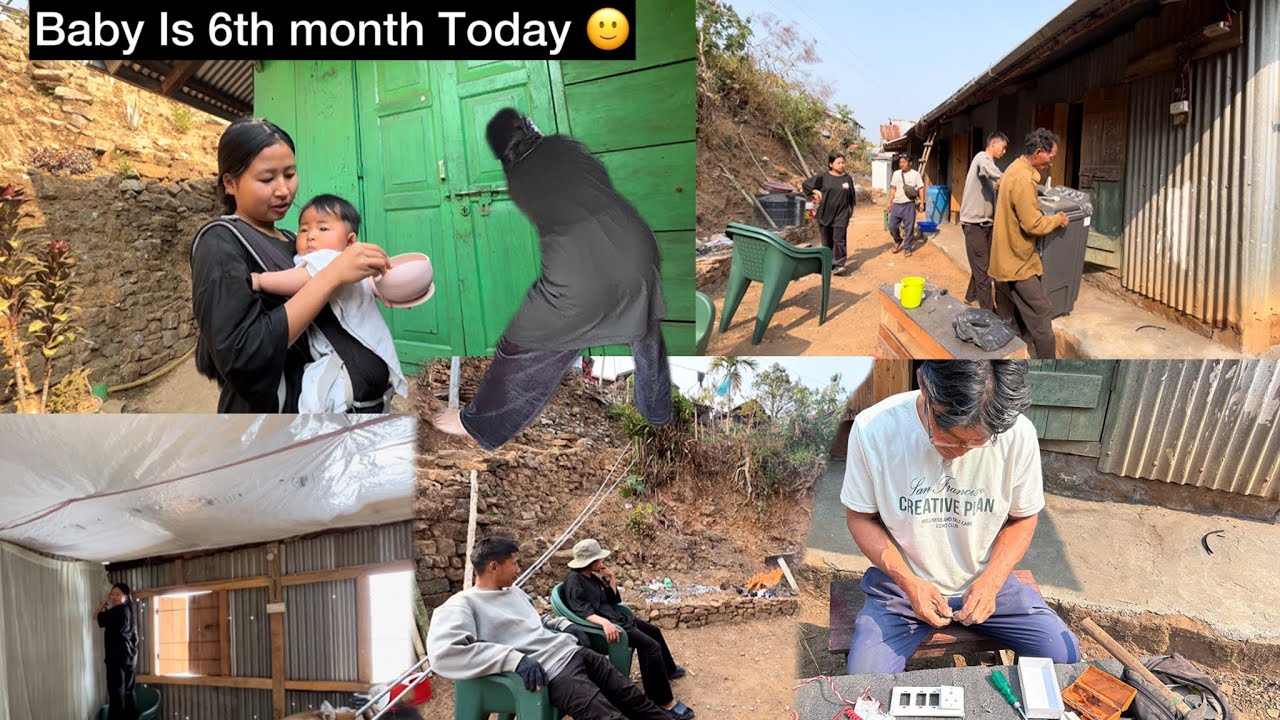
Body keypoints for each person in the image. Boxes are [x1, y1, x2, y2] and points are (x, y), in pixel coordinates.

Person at [431, 108, 671, 450]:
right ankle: (658, 413)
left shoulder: (520, 180)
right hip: (636, 245)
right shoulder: (568, 148)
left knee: (518, 346)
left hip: (584, 273)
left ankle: (477, 422)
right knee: (644, 331)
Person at [840, 360, 1080, 674]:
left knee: (1063, 654)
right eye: (950, 438)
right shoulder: (874, 428)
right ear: (924, 388)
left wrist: (992, 581)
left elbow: (1023, 518)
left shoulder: (1017, 433)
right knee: (864, 683)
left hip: (985, 582)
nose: (962, 451)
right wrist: (911, 584)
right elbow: (860, 518)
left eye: (976, 442)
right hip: (902, 588)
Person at [190, 117, 391, 412]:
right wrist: (330, 277)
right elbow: (241, 354)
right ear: (230, 183)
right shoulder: (219, 243)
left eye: (290, 174)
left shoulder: (294, 240)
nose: (284, 190)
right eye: (267, 179)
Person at [427, 537, 678, 720]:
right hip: (553, 671)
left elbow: (537, 621)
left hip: (570, 651)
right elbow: (443, 654)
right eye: (514, 563)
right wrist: (513, 660)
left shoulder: (513, 592)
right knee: (606, 715)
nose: (518, 569)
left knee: (630, 695)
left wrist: (565, 624)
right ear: (493, 566)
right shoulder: (462, 605)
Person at [248, 194, 408, 413]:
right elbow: (376, 285)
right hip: (368, 357)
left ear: (350, 242)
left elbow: (301, 280)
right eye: (304, 230)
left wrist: (260, 280)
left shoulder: (329, 258)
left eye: (323, 229)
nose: (311, 236)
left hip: (345, 363)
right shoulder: (352, 265)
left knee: (313, 396)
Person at [562, 539, 693, 719]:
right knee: (650, 647)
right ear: (590, 562)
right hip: (608, 627)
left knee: (653, 631)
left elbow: (612, 600)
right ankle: (662, 701)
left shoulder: (592, 576)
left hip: (617, 618)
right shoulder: (574, 581)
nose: (602, 562)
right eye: (599, 559)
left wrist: (611, 578)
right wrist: (605, 623)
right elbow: (580, 610)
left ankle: (667, 669)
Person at [989, 128, 1069, 360]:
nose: (1051, 162)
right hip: (1018, 261)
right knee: (1041, 312)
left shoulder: (1014, 168)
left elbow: (999, 186)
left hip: (1004, 259)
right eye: (1050, 157)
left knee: (1014, 309)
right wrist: (1057, 219)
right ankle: (1048, 366)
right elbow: (1032, 225)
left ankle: (1016, 353)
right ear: (1038, 152)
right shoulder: (1024, 179)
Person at [959, 132, 1009, 310]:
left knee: (982, 265)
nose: (1004, 152)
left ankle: (970, 297)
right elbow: (1000, 178)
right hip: (974, 225)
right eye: (1003, 147)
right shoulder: (982, 158)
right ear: (994, 144)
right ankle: (989, 313)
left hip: (986, 224)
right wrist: (1014, 181)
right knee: (983, 272)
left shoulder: (989, 166)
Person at [802, 152, 857, 274]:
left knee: (839, 239)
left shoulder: (847, 179)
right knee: (826, 241)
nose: (842, 165)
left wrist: (851, 211)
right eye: (839, 163)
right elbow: (806, 185)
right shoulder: (823, 177)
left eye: (843, 162)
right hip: (825, 213)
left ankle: (839, 264)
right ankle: (828, 262)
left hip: (842, 214)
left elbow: (851, 196)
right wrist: (816, 191)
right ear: (831, 164)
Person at [96, 582, 139, 720]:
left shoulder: (117, 611)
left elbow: (96, 616)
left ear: (125, 597)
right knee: (128, 691)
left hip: (117, 658)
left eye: (117, 594)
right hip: (130, 657)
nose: (114, 597)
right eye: (112, 594)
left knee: (116, 694)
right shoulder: (129, 610)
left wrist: (104, 602)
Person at [887, 155, 926, 256]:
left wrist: (922, 202)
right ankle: (898, 240)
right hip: (897, 204)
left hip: (909, 205)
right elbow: (893, 188)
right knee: (892, 226)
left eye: (904, 162)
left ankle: (907, 247)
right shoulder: (896, 174)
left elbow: (921, 188)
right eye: (900, 162)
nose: (902, 164)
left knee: (909, 228)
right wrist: (890, 201)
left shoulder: (915, 174)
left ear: (910, 163)